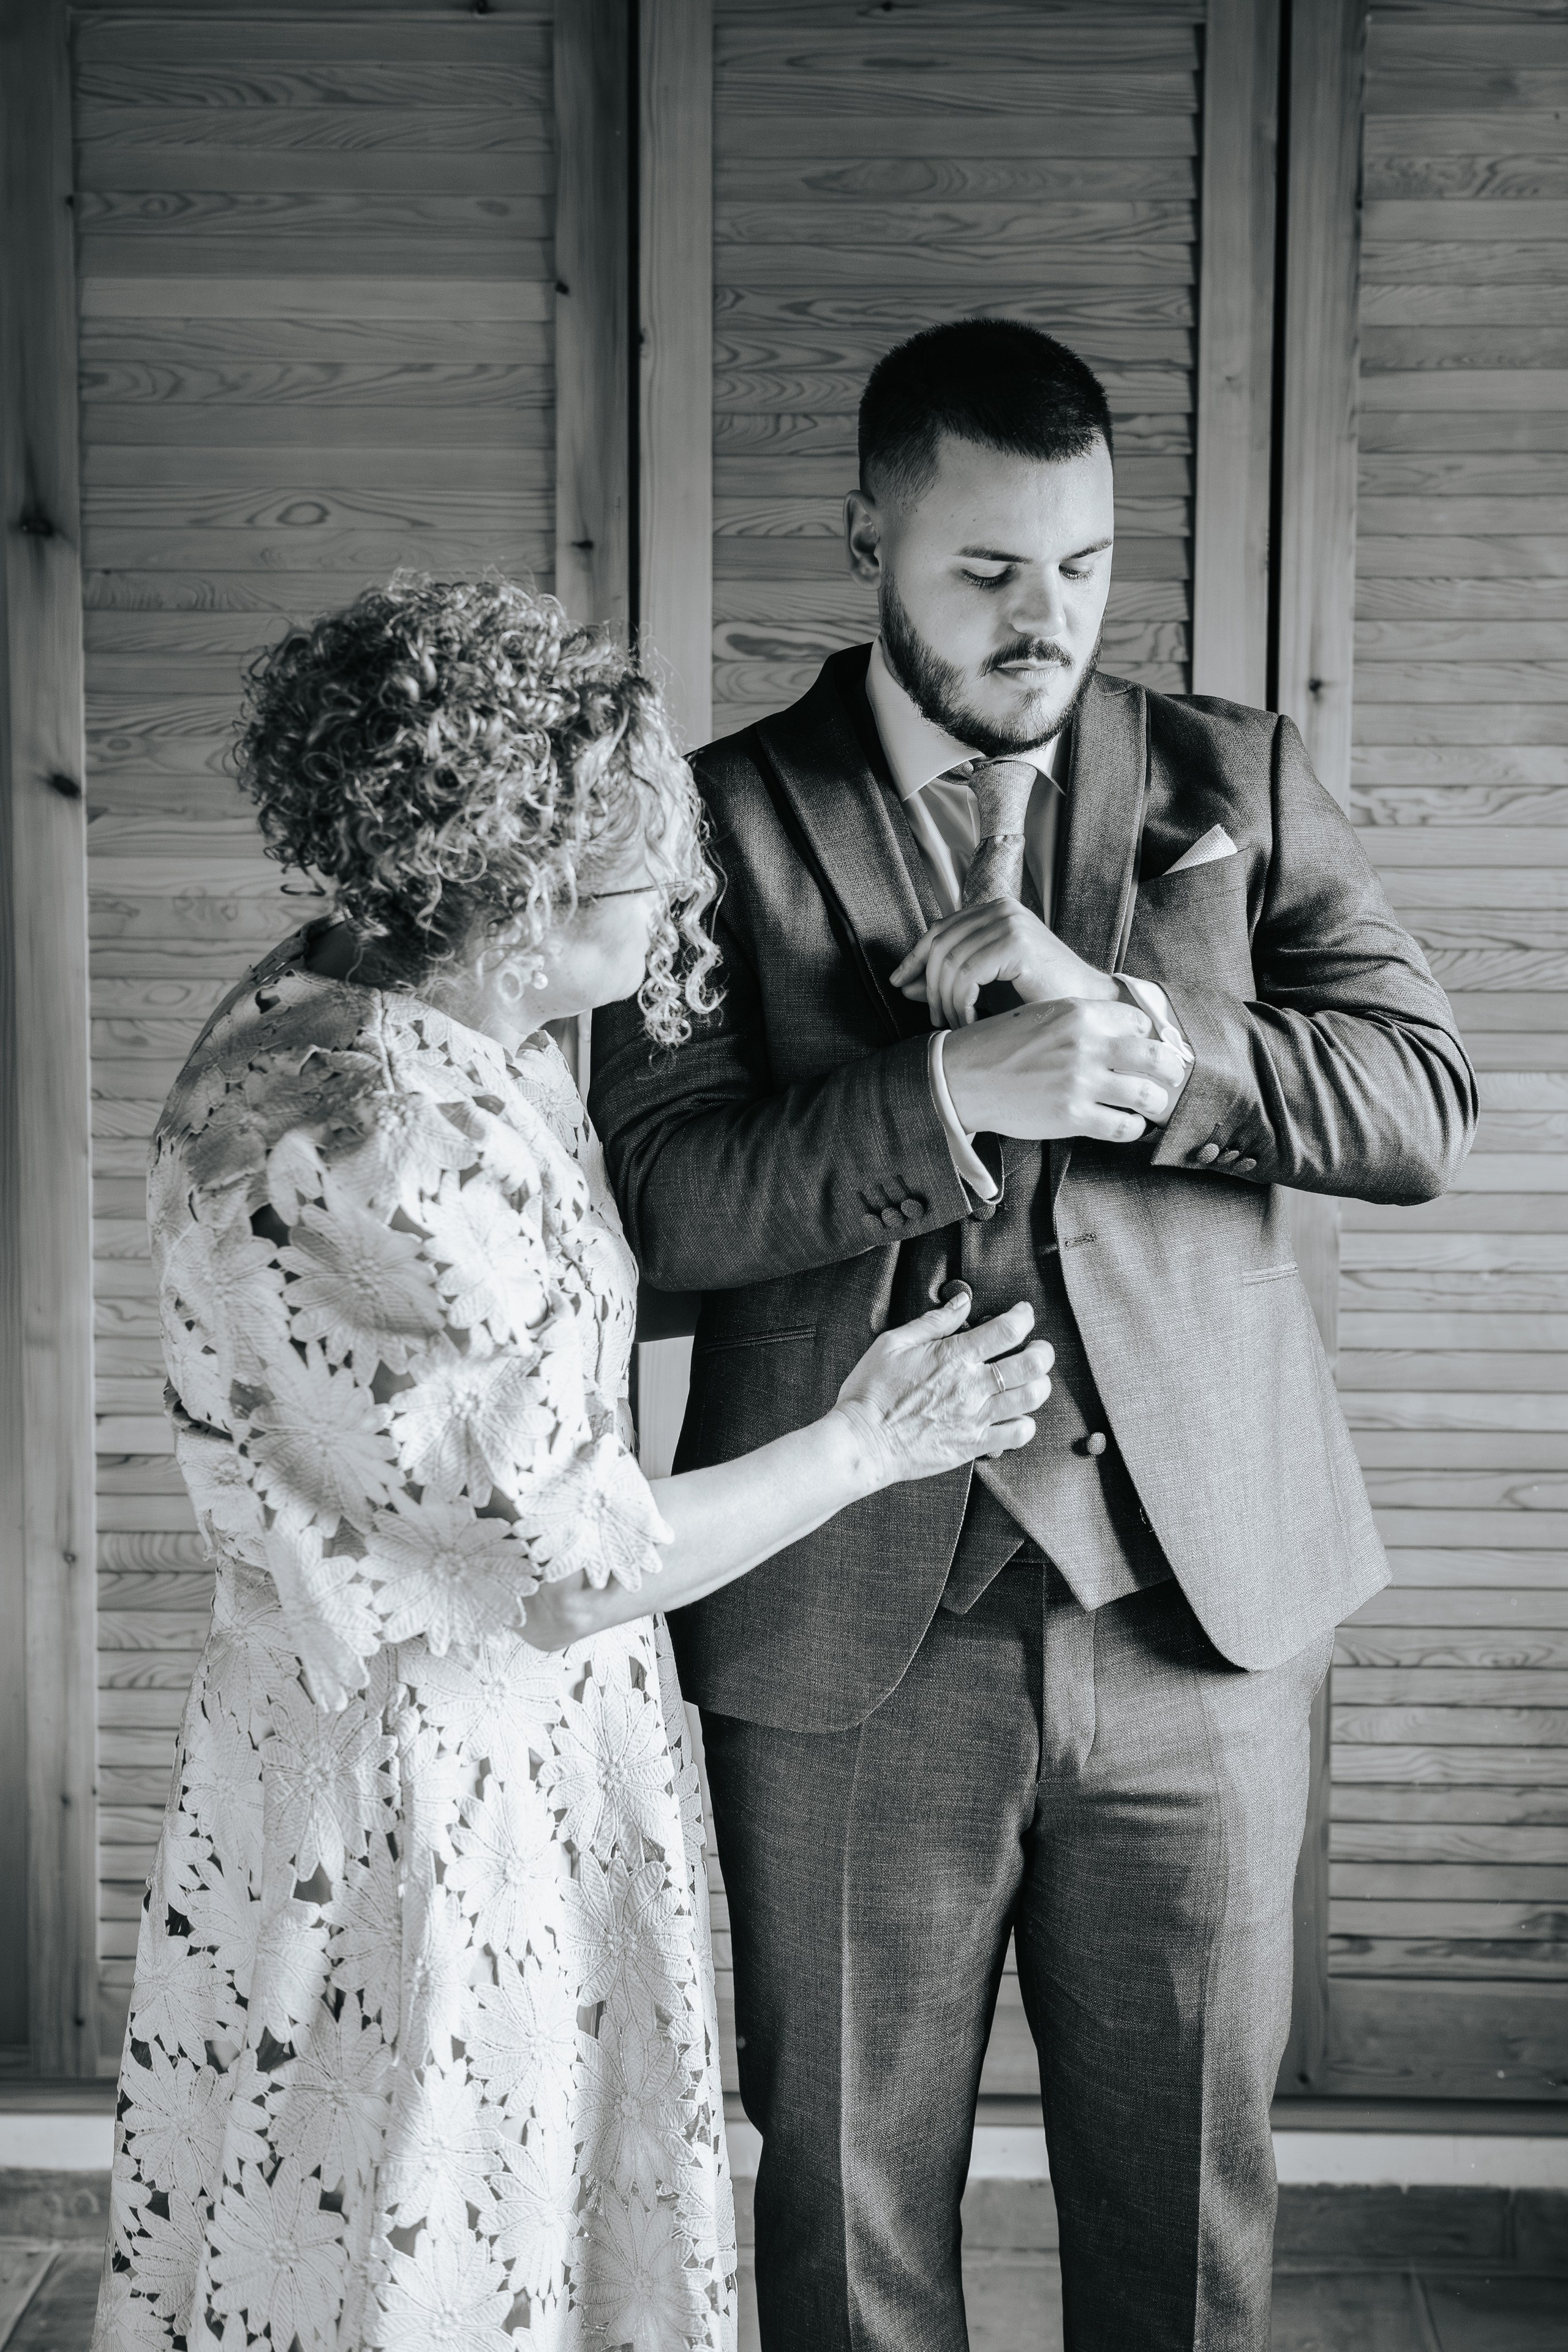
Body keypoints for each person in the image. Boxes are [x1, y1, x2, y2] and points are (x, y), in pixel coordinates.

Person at [589, 320, 1478, 2351]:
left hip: (1202, 1609)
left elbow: (1422, 1104)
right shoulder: (709, 818)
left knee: (1186, 2221)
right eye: (987, 571)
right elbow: (651, 1215)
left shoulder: (1227, 778)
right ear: (869, 542)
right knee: (839, 2205)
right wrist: (946, 1101)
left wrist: (1145, 1032)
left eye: (1079, 568)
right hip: (841, 1629)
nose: (1045, 619)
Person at [91, 575, 1054, 2352]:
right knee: (429, 2232)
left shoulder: (385, 1008)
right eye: (650, 862)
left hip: (406, 1732)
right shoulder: (386, 1137)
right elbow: (574, 1562)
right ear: (516, 887)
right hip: (434, 1783)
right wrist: (868, 1440)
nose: (688, 890)